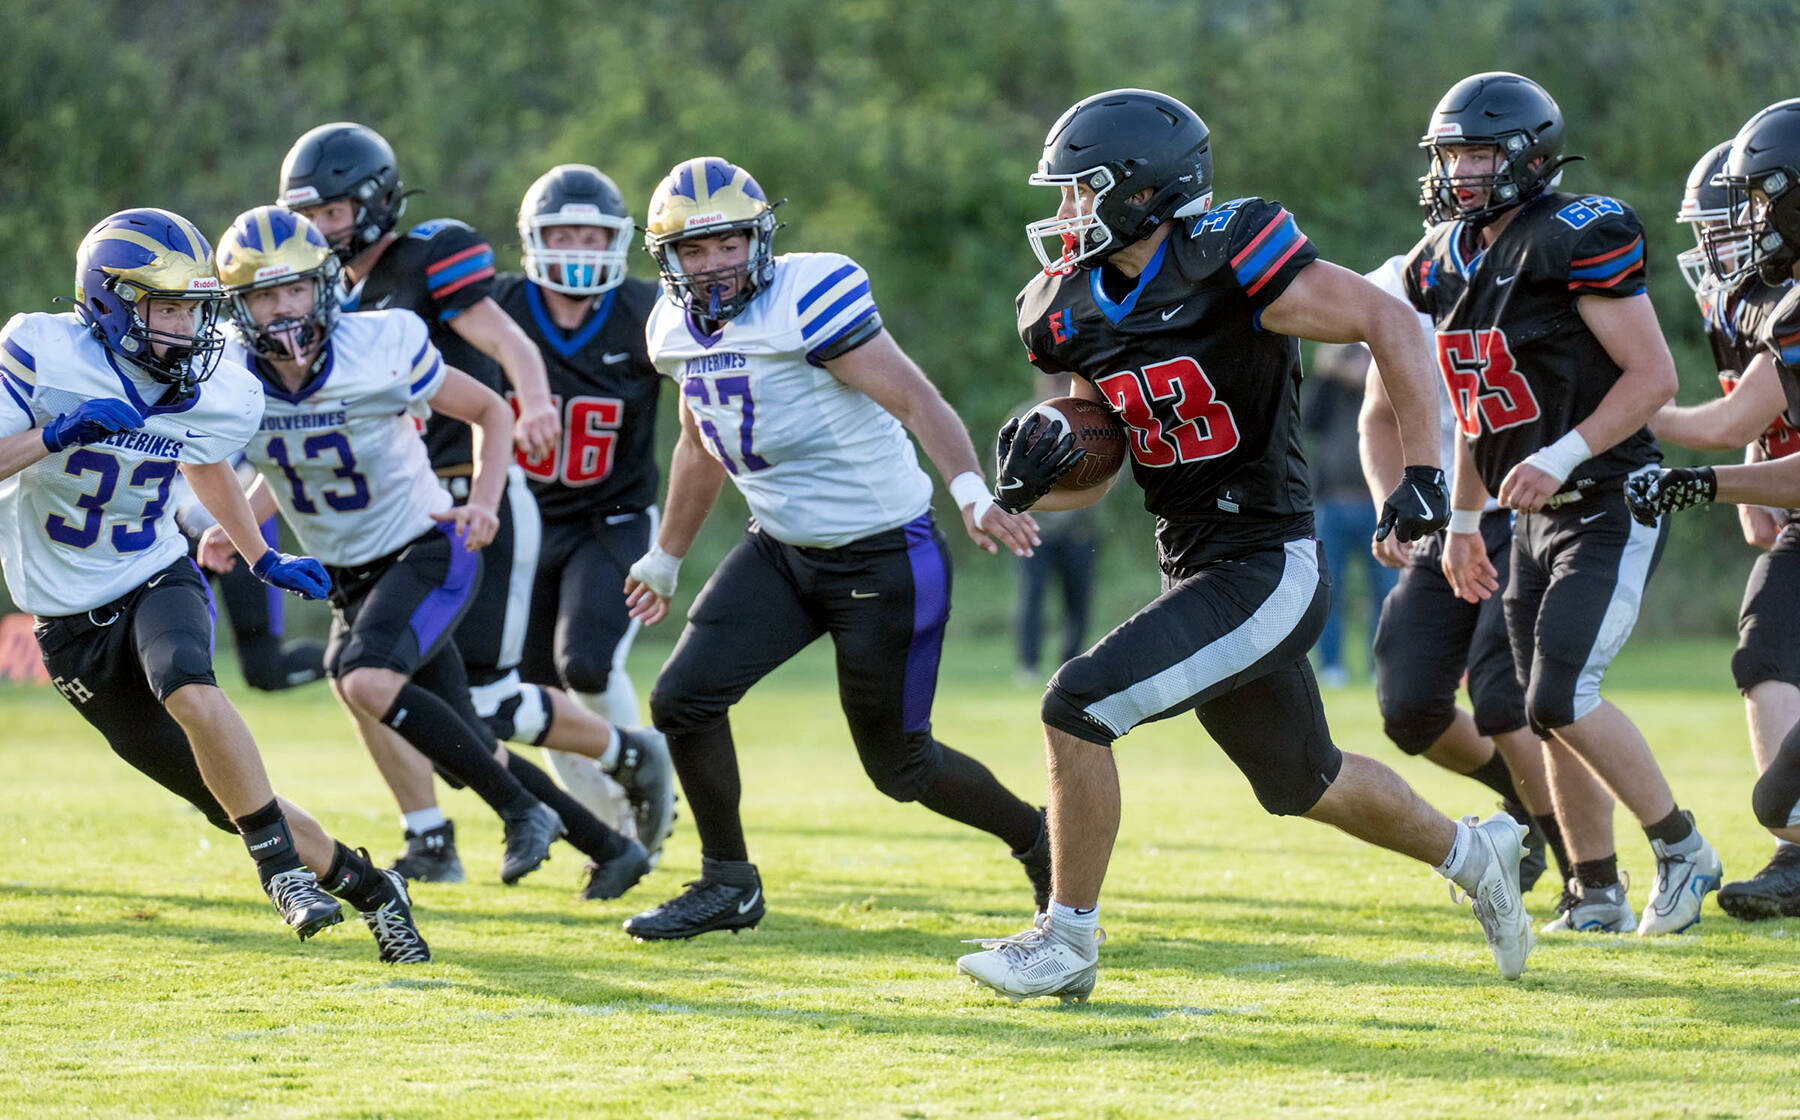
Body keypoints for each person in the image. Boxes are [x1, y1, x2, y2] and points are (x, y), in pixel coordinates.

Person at [955, 88, 1531, 1005]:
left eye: (1080, 190)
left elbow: (1388, 322)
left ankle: (1066, 940)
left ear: (1142, 190)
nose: (1065, 211)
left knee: (1077, 706)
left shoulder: (1227, 257)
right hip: (1192, 561)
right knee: (1304, 780)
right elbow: (1099, 468)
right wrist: (1036, 481)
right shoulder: (1065, 308)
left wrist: (1423, 471)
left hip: (1268, 561)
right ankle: (1475, 854)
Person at [618, 156, 1050, 941]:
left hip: (883, 555)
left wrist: (970, 493)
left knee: (901, 769)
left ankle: (1040, 839)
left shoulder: (808, 297)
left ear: (760, 240)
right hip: (782, 550)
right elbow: (697, 443)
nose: (713, 264)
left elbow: (916, 399)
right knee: (682, 699)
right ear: (667, 257)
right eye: (694, 249)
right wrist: (666, 557)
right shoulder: (671, 329)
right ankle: (728, 883)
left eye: (728, 243)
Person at [0, 207, 428, 962]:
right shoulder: (42, 353)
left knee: (188, 684)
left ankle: (280, 876)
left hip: (152, 571)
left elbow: (202, 458)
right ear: (109, 302)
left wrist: (260, 556)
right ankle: (372, 888)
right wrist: (53, 434)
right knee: (227, 799)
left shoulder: (218, 379)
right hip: (64, 623)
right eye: (167, 308)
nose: (186, 326)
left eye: (195, 308)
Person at [203, 205, 650, 901]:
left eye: (294, 288)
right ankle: (611, 848)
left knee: (365, 681)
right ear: (239, 306)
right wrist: (240, 533)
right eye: (265, 295)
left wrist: (485, 502)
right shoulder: (230, 375)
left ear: (324, 285)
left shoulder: (380, 343)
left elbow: (491, 410)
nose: (283, 308)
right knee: (462, 734)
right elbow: (280, 467)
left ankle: (520, 811)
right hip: (350, 569)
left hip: (423, 547)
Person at [1405, 72, 1719, 936]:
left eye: (1479, 153)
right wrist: (1462, 522)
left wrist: (1562, 452)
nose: (1460, 171)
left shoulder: (1575, 234)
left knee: (1560, 694)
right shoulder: (1440, 259)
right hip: (1531, 516)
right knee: (1543, 713)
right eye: (1451, 155)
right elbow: (1479, 407)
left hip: (1610, 496)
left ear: (1531, 157)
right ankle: (1596, 889)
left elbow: (1654, 377)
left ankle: (1684, 849)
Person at [278, 122, 558, 880]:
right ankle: (437, 834)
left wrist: (534, 401)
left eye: (332, 212)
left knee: (471, 694)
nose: (319, 230)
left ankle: (615, 768)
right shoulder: (320, 295)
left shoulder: (427, 258)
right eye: (308, 216)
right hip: (396, 503)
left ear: (374, 202)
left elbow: (510, 345)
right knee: (365, 680)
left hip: (463, 491)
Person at [1629, 98, 1800, 916]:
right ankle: (1795, 857)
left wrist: (1638, 413)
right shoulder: (1759, 306)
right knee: (1764, 652)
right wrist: (1750, 470)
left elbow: (1731, 420)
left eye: (1757, 204)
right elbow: (1757, 425)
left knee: (1780, 795)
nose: (1746, 229)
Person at [1358, 255, 1560, 895]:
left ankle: (1589, 870)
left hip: (1532, 508)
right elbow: (1378, 415)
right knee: (1410, 706)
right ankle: (1530, 803)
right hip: (1448, 519)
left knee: (1505, 696)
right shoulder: (1400, 283)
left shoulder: (1536, 264)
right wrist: (1390, 500)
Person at [491, 164, 676, 860]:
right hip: (525, 520)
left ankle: (645, 788)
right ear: (533, 240)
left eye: (590, 236)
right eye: (562, 234)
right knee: (536, 693)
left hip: (612, 516)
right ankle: (615, 831)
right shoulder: (497, 305)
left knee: (588, 665)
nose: (576, 249)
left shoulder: (648, 310)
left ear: (617, 241)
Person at [173, 462, 327, 691]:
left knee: (265, 670)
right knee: (171, 656)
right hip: (177, 533)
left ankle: (351, 660)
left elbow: (274, 461)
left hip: (246, 531)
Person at [1305, 340, 1397, 685]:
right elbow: (1308, 420)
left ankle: (1380, 666)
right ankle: (1332, 667)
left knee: (1386, 590)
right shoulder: (1329, 390)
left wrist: (1371, 369)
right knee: (1329, 591)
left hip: (1379, 506)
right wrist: (1326, 373)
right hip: (1332, 504)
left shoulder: (1384, 382)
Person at [1012, 376, 1102, 687]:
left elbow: (1109, 473)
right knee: (1032, 597)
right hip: (1037, 529)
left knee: (1077, 601)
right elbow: (1005, 473)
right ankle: (1028, 664)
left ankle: (1070, 663)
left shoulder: (1094, 424)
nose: (1055, 384)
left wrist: (1074, 510)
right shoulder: (1024, 417)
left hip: (1080, 531)